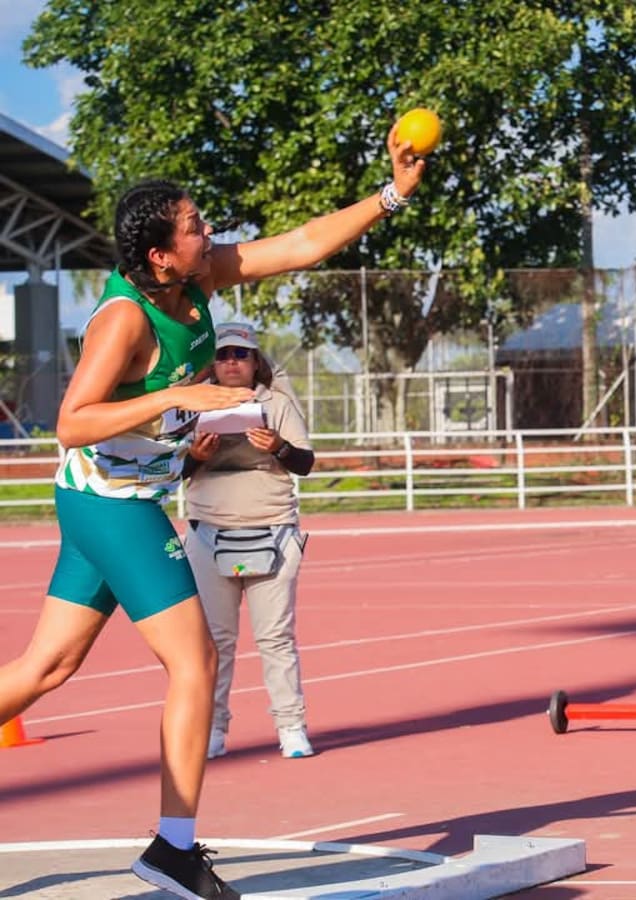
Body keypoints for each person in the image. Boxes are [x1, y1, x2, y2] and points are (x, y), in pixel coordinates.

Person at [0, 126, 424, 900]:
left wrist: (392, 194)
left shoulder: (196, 280)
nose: (209, 232)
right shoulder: (125, 320)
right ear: (160, 255)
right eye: (195, 226)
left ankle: (172, 847)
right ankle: (173, 849)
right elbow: (71, 421)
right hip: (115, 504)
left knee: (47, 667)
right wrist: (175, 395)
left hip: (105, 498)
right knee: (195, 664)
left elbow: (300, 245)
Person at [184, 322, 316, 761]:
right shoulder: (192, 404)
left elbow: (305, 463)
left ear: (256, 361)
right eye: (223, 355)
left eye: (240, 354)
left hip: (272, 529)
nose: (231, 362)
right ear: (212, 363)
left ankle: (291, 728)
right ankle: (213, 729)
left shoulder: (276, 403)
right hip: (208, 533)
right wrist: (195, 456)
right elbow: (171, 470)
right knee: (215, 642)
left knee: (276, 638)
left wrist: (278, 447)